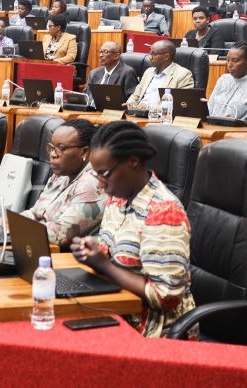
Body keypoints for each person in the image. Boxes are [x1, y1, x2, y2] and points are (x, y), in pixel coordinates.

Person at [69, 121, 195, 338]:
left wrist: (105, 266)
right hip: (117, 308)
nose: (100, 184)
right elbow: (112, 253)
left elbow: (166, 297)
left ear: (133, 161)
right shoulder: (118, 199)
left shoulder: (164, 212)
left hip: (154, 332)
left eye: (104, 174)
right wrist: (90, 252)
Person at [21, 119, 107, 249]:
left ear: (85, 152)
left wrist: (20, 226)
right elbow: (34, 212)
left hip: (70, 259)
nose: (53, 154)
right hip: (38, 244)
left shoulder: (92, 184)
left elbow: (60, 234)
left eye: (61, 148)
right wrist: (15, 222)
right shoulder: (61, 174)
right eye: (52, 147)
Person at [206, 42, 247, 120]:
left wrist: (236, 123)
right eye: (228, 60)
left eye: (235, 61)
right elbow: (208, 110)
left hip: (236, 131)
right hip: (211, 128)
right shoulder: (223, 79)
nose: (229, 65)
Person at [126, 40, 194, 105]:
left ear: (166, 56)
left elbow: (180, 103)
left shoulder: (183, 74)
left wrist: (148, 107)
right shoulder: (148, 71)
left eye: (153, 54)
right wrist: (130, 104)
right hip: (137, 113)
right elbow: (135, 95)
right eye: (150, 53)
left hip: (159, 115)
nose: (150, 57)